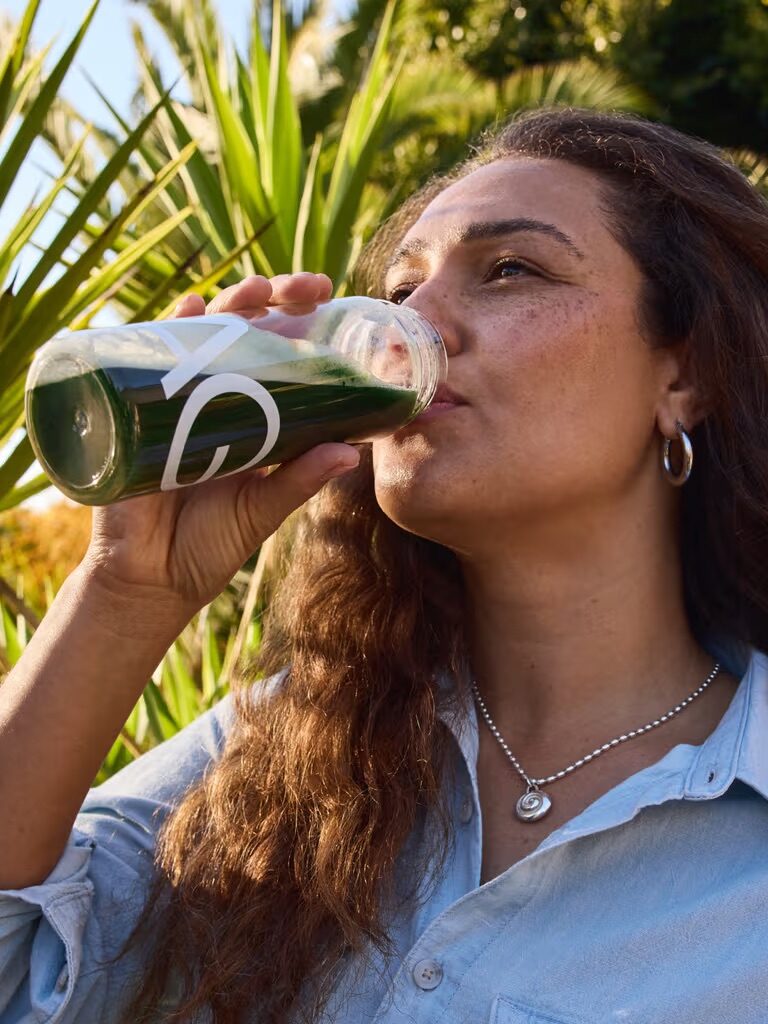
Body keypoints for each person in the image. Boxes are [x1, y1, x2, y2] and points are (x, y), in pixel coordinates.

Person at [1, 106, 767, 1024]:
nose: (414, 324)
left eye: (511, 269)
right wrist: (124, 593)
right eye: (402, 289)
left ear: (683, 377)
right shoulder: (286, 747)